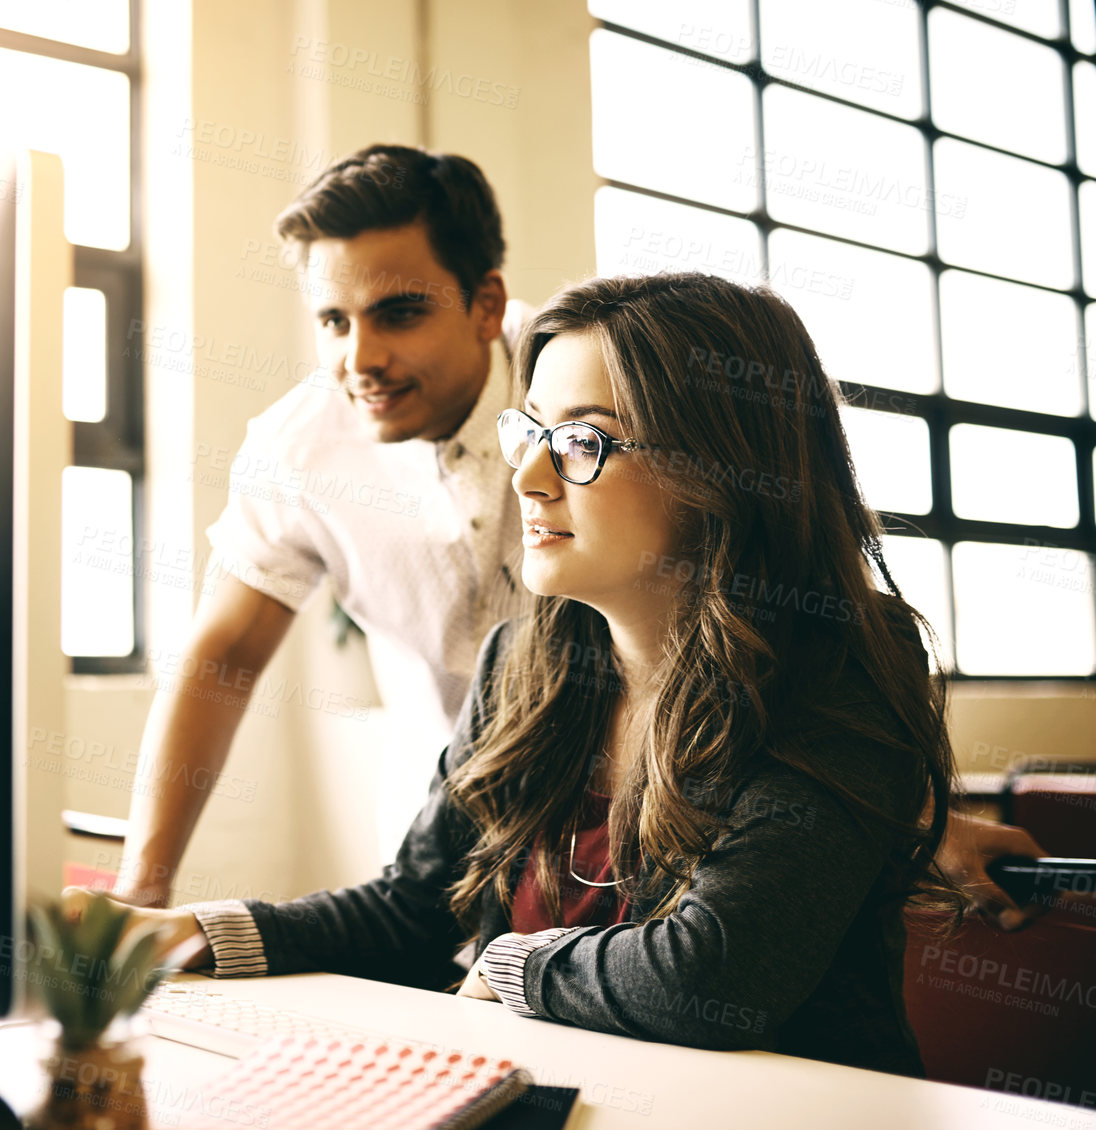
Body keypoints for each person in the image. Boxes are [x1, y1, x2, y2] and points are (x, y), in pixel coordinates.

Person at [111, 143, 1045, 931]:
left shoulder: (590, 370)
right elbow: (223, 651)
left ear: (486, 305)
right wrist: (145, 898)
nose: (361, 359)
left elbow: (774, 582)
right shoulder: (295, 448)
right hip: (496, 817)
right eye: (332, 322)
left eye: (399, 312)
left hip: (703, 807)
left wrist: (898, 809)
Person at [88, 272, 978, 1074]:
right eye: (531, 430)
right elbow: (415, 909)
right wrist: (204, 933)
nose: (530, 473)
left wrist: (510, 962)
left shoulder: (842, 658)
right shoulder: (529, 660)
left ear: (726, 468)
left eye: (585, 442)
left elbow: (720, 972)